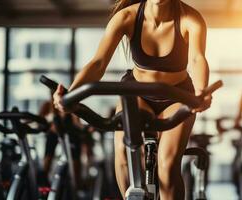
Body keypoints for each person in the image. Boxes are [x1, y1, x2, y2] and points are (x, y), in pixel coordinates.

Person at [52, 0, 211, 199]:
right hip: (136, 92)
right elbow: (98, 62)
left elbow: (197, 59)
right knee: (124, 151)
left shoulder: (191, 19)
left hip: (177, 96)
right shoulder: (126, 17)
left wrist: (201, 91)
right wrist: (71, 95)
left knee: (167, 164)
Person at [39, 94, 84, 185]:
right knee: (49, 148)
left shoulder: (69, 107)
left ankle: (76, 182)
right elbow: (40, 119)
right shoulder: (47, 106)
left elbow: (77, 122)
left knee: (75, 144)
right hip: (55, 135)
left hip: (69, 134)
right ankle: (43, 179)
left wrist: (86, 128)